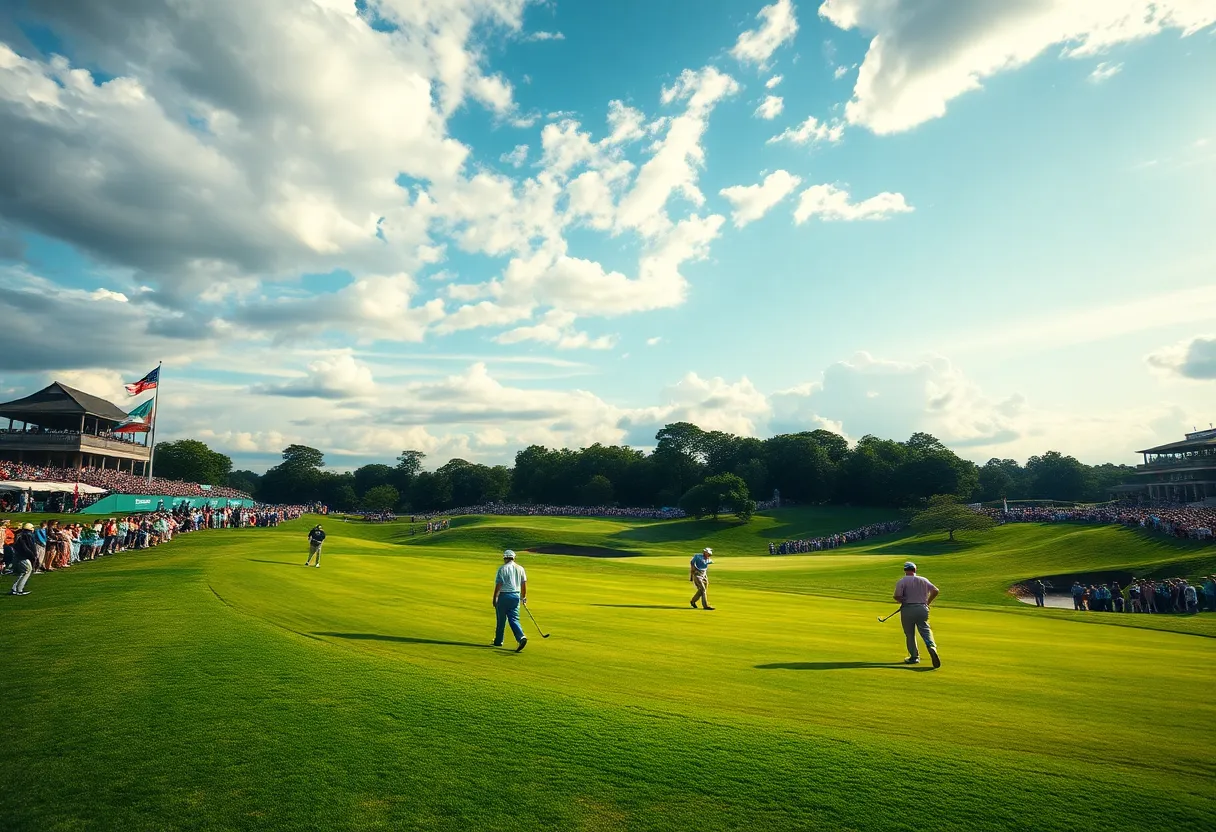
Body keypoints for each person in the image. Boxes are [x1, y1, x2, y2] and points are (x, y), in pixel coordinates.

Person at [893, 561, 940, 668]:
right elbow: (935, 591)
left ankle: (914, 657)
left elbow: (897, 597)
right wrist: (928, 602)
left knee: (910, 634)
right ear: (915, 570)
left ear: (905, 570)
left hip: (908, 609)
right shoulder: (923, 580)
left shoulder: (902, 581)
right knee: (925, 629)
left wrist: (902, 600)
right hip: (922, 608)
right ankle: (931, 646)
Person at [492, 549, 528, 652]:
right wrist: (523, 597)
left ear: (505, 558)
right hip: (516, 596)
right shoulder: (520, 568)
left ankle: (498, 641)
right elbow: (523, 584)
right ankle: (521, 637)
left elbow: (499, 585)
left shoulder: (502, 569)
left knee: (501, 620)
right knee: (514, 619)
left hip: (504, 596)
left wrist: (495, 598)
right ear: (514, 558)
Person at [9, 523, 37, 596]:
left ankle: (14, 588)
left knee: (23, 572)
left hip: (18, 556)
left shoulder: (20, 535)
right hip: (23, 557)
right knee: (27, 571)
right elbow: (28, 548)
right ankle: (19, 590)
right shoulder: (28, 536)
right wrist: (33, 555)